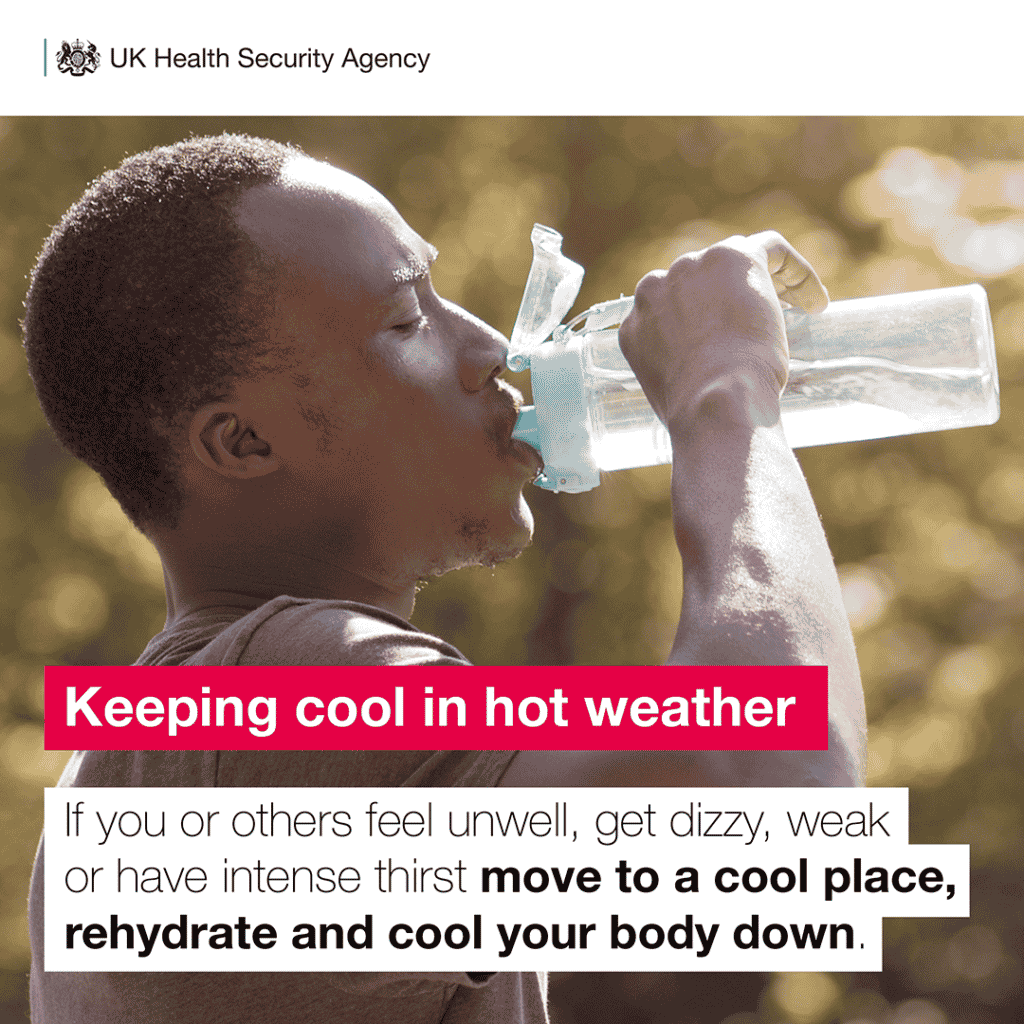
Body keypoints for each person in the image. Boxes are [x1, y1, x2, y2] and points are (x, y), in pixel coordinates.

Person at [23, 134, 865, 1023]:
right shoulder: (270, 699)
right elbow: (777, 794)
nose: (490, 347)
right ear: (245, 443)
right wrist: (724, 392)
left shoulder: (170, 741)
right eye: (404, 321)